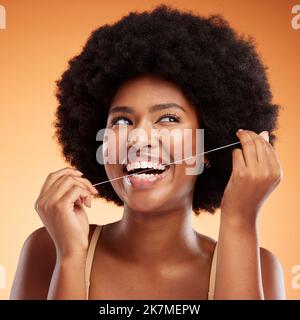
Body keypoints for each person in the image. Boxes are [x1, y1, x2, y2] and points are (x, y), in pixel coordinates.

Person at [10, 4, 285, 299]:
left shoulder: (260, 267)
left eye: (168, 118)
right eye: (123, 121)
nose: (139, 139)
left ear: (207, 147)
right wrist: (70, 257)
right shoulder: (48, 250)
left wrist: (240, 221)